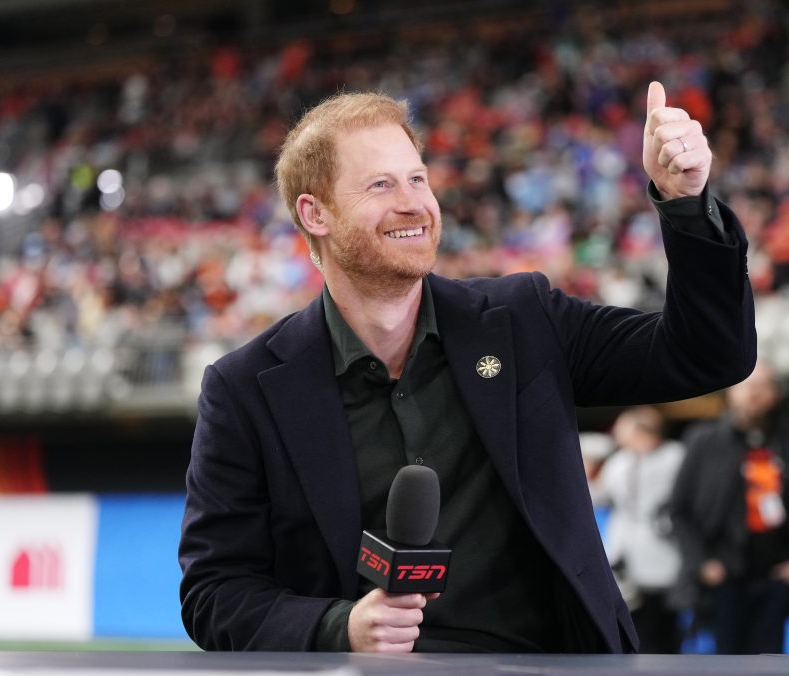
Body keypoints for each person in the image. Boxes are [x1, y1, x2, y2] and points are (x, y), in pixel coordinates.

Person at [177, 83, 757, 653]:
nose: (413, 203)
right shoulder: (244, 390)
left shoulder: (523, 320)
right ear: (315, 213)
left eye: (418, 179)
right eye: (381, 184)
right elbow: (214, 593)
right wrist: (340, 628)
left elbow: (708, 354)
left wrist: (686, 205)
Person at [668, 362, 789, 655]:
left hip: (775, 577)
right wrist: (702, 564)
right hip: (722, 578)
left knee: (770, 662)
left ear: (776, 394)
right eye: (746, 385)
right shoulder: (705, 440)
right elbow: (678, 511)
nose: (753, 393)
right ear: (730, 393)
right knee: (724, 662)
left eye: (763, 386)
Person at [593, 406, 687, 653]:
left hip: (664, 553)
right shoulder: (619, 462)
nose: (616, 433)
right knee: (633, 625)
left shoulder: (676, 457)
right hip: (625, 554)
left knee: (664, 627)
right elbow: (601, 495)